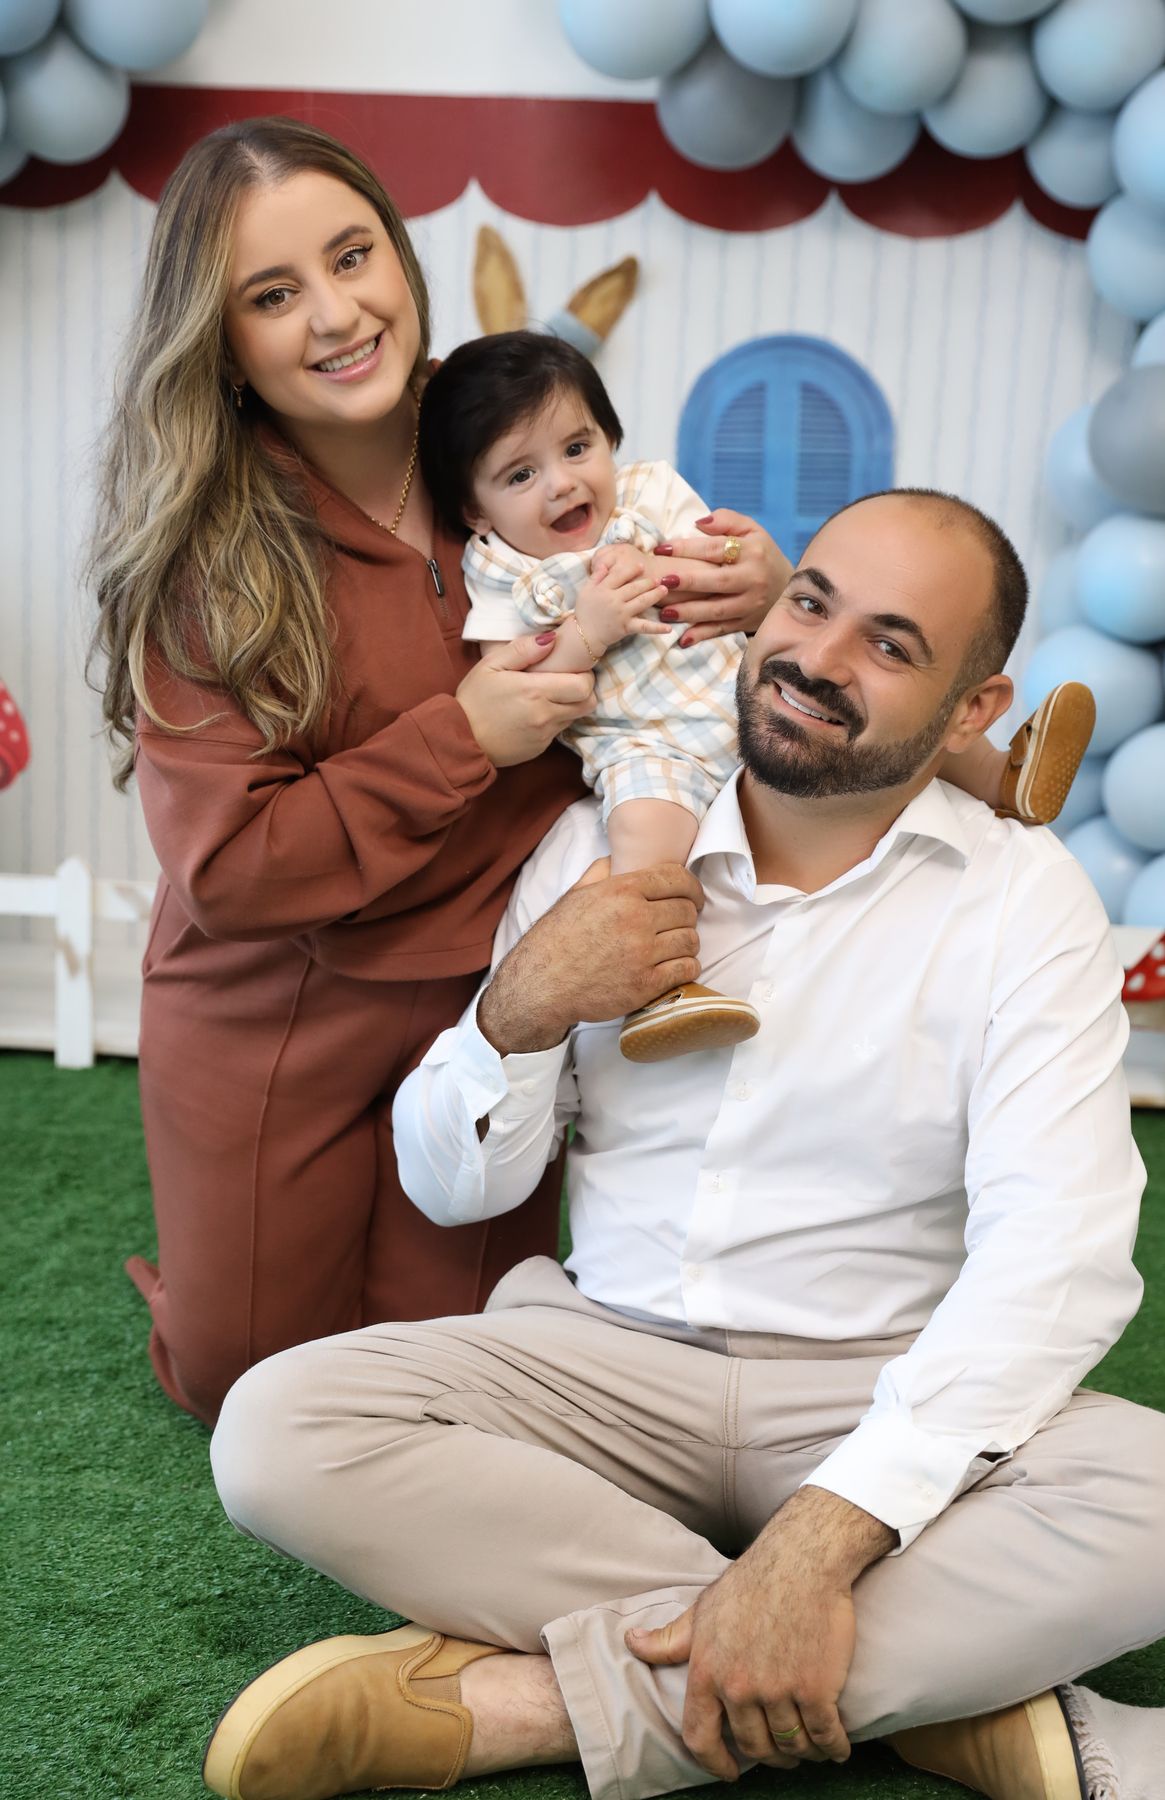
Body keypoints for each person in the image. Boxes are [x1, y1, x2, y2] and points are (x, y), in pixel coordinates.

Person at [203, 489, 1165, 1800]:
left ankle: (526, 1708)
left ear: (974, 711)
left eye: (889, 645)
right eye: (811, 602)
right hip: (600, 1366)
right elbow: (455, 1190)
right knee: (278, 1429)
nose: (816, 659)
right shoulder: (600, 845)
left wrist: (827, 1535)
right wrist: (514, 1013)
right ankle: (933, 1705)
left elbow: (1055, 1254)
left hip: (873, 1382)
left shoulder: (1026, 897)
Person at [88, 117, 790, 1428]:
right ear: (221, 345)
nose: (337, 314)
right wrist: (463, 734)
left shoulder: (501, 428)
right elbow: (232, 872)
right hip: (278, 1004)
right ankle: (207, 1289)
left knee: (456, 1380)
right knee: (251, 1384)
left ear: (401, 260)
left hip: (488, 998)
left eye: (353, 257)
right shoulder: (207, 558)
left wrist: (760, 583)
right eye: (273, 295)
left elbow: (663, 582)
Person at [419, 331, 1096, 1060]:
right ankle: (659, 991)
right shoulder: (502, 576)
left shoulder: (649, 494)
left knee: (887, 718)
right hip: (646, 743)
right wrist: (588, 628)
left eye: (577, 448)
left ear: (610, 440)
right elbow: (519, 684)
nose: (561, 483)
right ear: (476, 510)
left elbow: (725, 566)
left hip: (736, 682)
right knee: (646, 848)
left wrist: (733, 565)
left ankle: (1002, 777)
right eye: (521, 475)